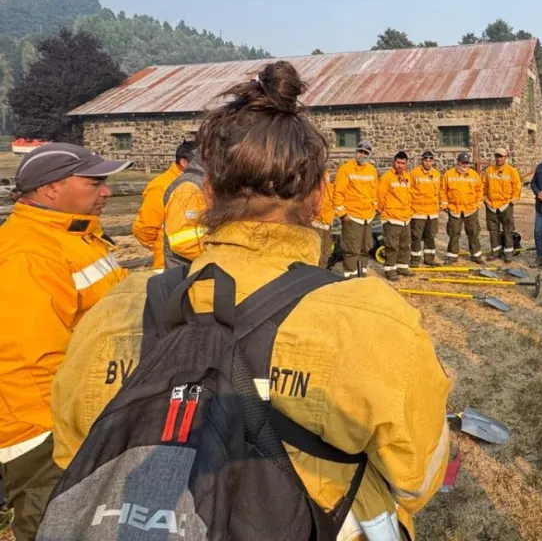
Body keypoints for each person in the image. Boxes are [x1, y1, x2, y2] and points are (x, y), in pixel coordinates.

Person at [49, 61, 451, 539]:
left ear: (209, 191)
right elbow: (417, 479)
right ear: (320, 195)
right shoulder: (373, 320)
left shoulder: (112, 311)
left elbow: (76, 453)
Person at [0, 143, 131, 540]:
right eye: (94, 183)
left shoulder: (76, 238)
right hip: (45, 431)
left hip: (81, 413)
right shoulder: (30, 253)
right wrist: (50, 439)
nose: (106, 192)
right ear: (50, 189)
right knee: (50, 522)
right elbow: (25, 359)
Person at [132, 140, 196, 273]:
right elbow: (145, 228)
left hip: (197, 260)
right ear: (184, 162)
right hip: (169, 263)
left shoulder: (202, 183)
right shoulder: (160, 186)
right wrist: (159, 247)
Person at [333, 140, 379, 278]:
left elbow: (375, 191)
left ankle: (361, 273)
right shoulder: (345, 169)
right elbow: (338, 193)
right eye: (360, 151)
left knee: (366, 247)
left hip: (367, 217)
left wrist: (374, 208)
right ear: (356, 152)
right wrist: (342, 214)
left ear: (369, 155)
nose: (362, 155)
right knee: (351, 248)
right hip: (352, 216)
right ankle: (350, 277)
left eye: (366, 153)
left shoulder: (372, 170)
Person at [162, 150, 208, 269]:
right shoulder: (189, 188)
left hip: (202, 270)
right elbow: (184, 243)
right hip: (188, 274)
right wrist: (225, 257)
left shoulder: (207, 181)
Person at [440, 152, 484, 264]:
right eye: (463, 162)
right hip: (454, 209)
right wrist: (444, 205)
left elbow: (479, 191)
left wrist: (478, 204)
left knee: (473, 232)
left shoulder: (474, 175)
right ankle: (452, 256)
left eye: (467, 163)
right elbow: (443, 190)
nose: (465, 165)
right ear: (458, 162)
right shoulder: (448, 175)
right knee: (454, 232)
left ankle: (476, 256)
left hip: (471, 209)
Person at [378, 151, 414, 281]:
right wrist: (384, 215)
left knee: (405, 245)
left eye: (403, 163)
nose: (400, 165)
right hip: (392, 218)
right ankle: (390, 270)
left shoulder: (407, 177)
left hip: (405, 218)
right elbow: (380, 197)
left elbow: (409, 195)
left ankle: (402, 267)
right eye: (398, 162)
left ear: (406, 164)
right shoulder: (386, 178)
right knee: (392, 246)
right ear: (394, 162)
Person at [483, 148, 521, 263]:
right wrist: (485, 199)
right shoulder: (489, 170)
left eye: (501, 156)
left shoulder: (511, 171)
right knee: (493, 230)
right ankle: (495, 252)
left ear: (505, 157)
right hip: (491, 205)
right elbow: (483, 186)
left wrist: (512, 202)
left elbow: (517, 187)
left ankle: (508, 254)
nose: (498, 158)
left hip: (506, 205)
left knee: (508, 230)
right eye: (497, 156)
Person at [409, 150, 442, 267]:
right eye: (425, 160)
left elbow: (439, 192)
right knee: (416, 237)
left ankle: (429, 259)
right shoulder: (414, 174)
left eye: (430, 160)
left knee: (430, 237)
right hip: (418, 212)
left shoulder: (437, 174)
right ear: (422, 160)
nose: (428, 163)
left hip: (432, 213)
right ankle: (414, 260)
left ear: (433, 161)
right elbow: (408, 192)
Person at [312, 168, 336, 268]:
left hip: (327, 222)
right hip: (317, 222)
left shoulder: (332, 188)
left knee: (326, 248)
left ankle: (323, 268)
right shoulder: (314, 189)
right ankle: (316, 269)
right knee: (317, 248)